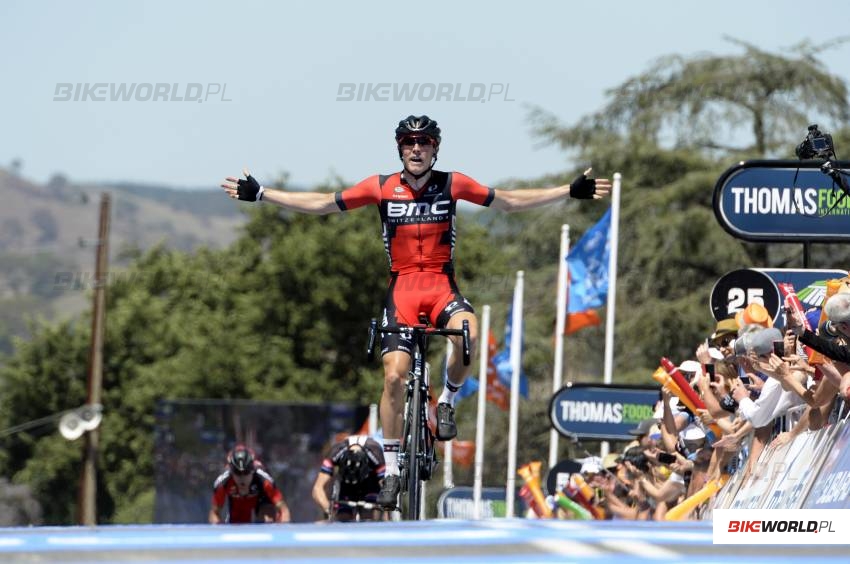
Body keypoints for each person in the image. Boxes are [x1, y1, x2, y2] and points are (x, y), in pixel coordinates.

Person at [222, 115, 612, 508]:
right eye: (408, 142)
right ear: (399, 148)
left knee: (469, 335)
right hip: (403, 290)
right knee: (393, 378)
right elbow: (325, 203)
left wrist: (569, 190)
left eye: (423, 142)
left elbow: (508, 202)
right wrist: (262, 194)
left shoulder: (451, 183)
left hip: (441, 287)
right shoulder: (381, 187)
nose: (416, 148)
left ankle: (446, 402)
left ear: (434, 148)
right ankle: (391, 469)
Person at [209, 445, 291, 524]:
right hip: (238, 504)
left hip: (261, 499)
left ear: (253, 470)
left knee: (267, 519)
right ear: (231, 473)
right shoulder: (223, 483)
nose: (242, 478)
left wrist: (284, 529)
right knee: (237, 525)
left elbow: (283, 509)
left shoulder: (264, 481)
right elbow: (214, 512)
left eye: (246, 472)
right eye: (237, 473)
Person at [312, 434, 385, 521]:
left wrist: (385, 509)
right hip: (346, 485)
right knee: (343, 517)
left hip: (370, 480)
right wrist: (329, 509)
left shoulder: (375, 452)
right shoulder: (335, 452)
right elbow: (317, 488)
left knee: (369, 516)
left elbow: (384, 486)